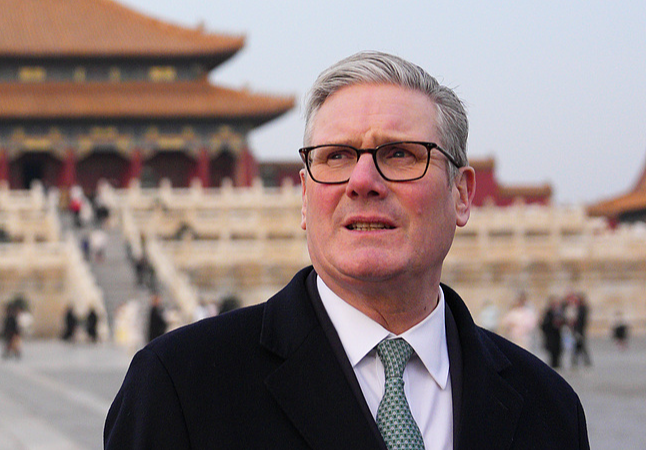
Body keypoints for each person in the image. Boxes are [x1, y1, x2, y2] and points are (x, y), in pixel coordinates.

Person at [104, 51, 589, 449]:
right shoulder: (182, 385)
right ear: (304, 195)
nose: (362, 181)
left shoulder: (547, 406)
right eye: (336, 156)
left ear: (461, 195)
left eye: (400, 154)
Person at [540, 296, 564, 368]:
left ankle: (557, 364)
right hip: (550, 336)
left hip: (557, 335)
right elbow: (543, 325)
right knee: (551, 351)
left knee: (558, 351)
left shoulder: (560, 312)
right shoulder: (548, 313)